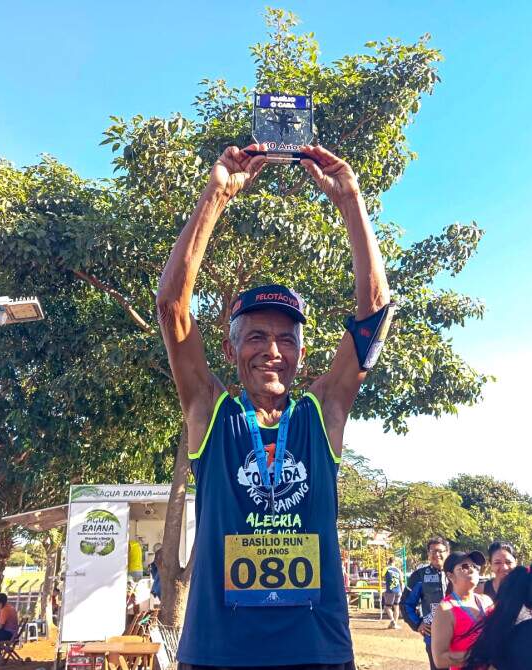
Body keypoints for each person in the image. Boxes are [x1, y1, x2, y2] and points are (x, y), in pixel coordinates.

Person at [158, 143, 393, 670]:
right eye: (256, 336)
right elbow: (173, 306)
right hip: (219, 655)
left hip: (315, 651)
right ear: (229, 349)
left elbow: (374, 317)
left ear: (302, 352)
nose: (272, 350)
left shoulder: (321, 413)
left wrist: (351, 201)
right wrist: (216, 193)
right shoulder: (210, 411)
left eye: (286, 339)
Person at [429, 551, 493, 669]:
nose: (472, 570)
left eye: (475, 566)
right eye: (464, 566)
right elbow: (439, 659)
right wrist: (477, 656)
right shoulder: (445, 610)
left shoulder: (487, 601)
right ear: (450, 576)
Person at [402, 538, 451, 670]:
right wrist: (417, 624)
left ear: (448, 552)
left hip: (459, 634)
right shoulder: (419, 576)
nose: (436, 554)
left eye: (440, 551)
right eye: (432, 551)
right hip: (434, 637)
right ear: (428, 554)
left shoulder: (457, 572)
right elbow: (406, 604)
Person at [382, 556, 405, 629]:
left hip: (390, 590)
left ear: (389, 561)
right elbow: (402, 582)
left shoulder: (386, 568)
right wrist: (403, 591)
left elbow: (383, 578)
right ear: (394, 562)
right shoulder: (398, 570)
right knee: (396, 607)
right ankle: (395, 624)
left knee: (387, 607)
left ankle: (393, 621)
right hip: (398, 591)